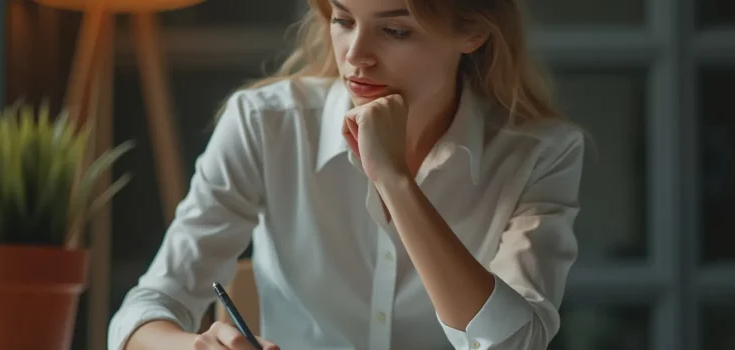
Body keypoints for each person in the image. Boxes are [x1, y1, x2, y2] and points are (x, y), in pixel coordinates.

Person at [108, 0, 585, 349]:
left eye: (395, 30)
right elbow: (143, 312)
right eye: (342, 19)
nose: (356, 55)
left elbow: (514, 342)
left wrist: (394, 181)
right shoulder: (266, 125)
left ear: (473, 33)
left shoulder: (541, 154)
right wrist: (194, 348)